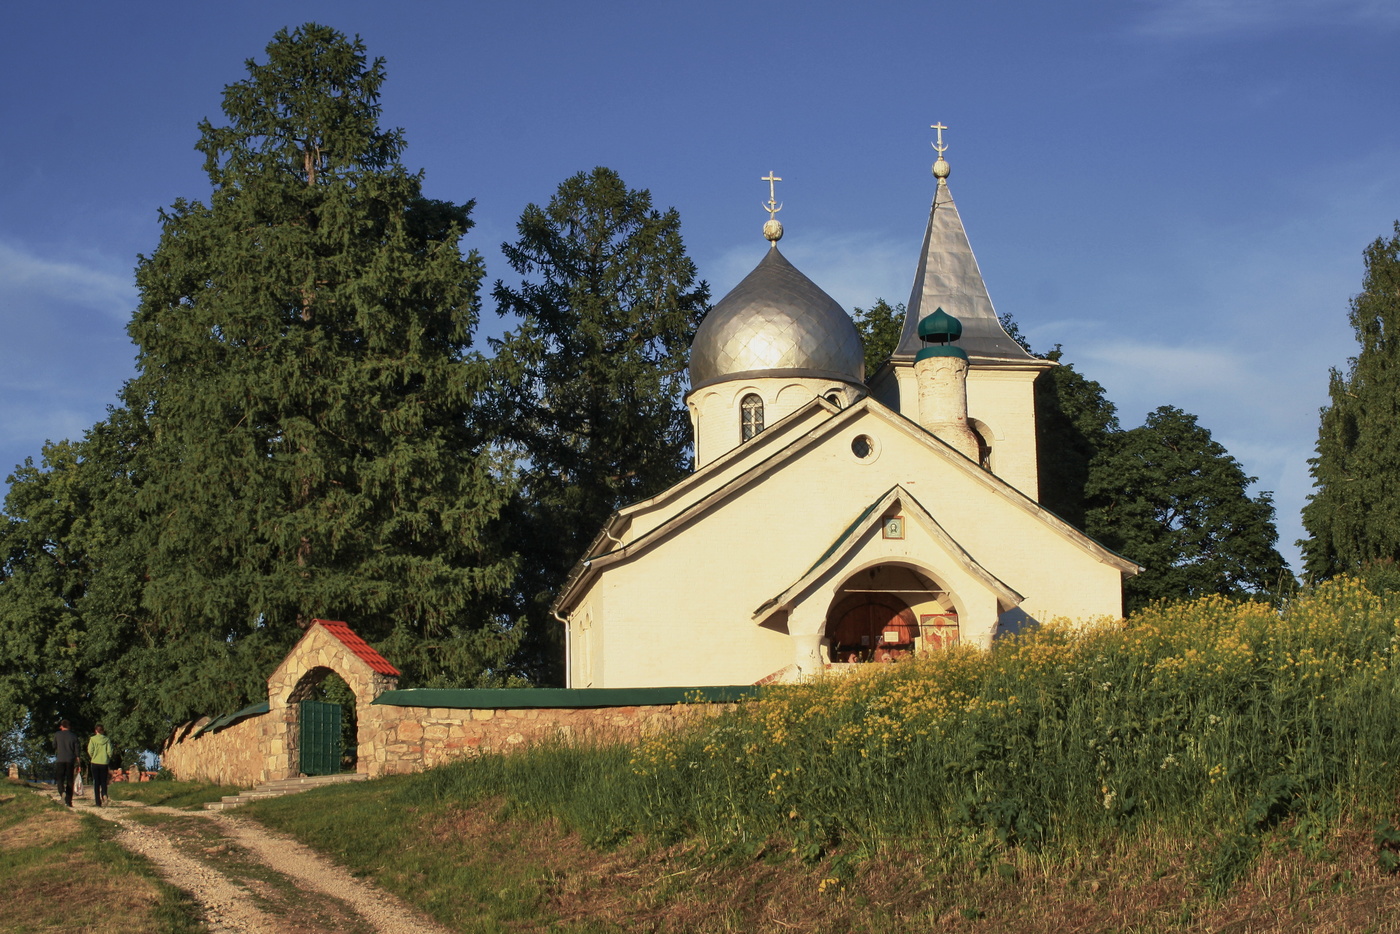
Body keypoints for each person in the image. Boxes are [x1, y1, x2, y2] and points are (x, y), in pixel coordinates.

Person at [53, 720, 80, 807]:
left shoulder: (57, 734)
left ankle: (62, 792)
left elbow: (54, 745)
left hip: (60, 759)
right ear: (69, 726)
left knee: (60, 779)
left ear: (61, 726)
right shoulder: (73, 736)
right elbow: (77, 750)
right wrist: (78, 762)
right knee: (69, 780)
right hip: (70, 760)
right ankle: (69, 801)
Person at [87, 724, 114, 807]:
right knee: (103, 781)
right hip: (104, 762)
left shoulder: (92, 739)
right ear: (103, 730)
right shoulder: (107, 739)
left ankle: (98, 802)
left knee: (96, 782)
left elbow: (90, 750)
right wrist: (107, 758)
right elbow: (110, 751)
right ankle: (104, 794)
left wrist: (93, 756)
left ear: (96, 731)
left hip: (95, 762)